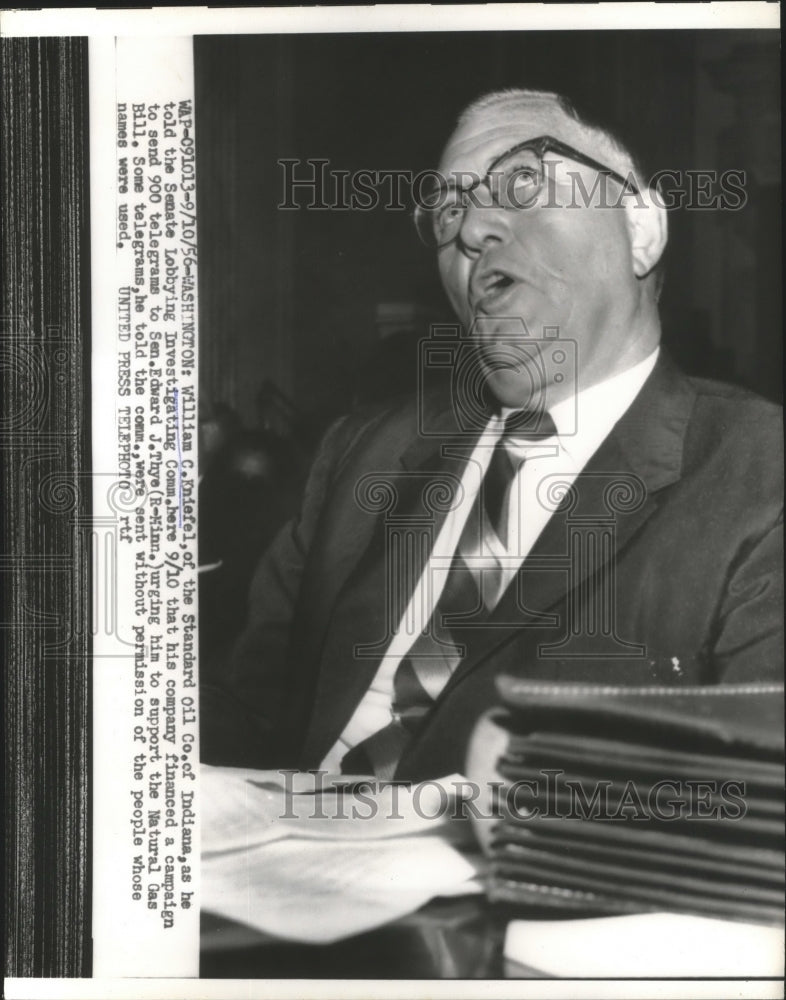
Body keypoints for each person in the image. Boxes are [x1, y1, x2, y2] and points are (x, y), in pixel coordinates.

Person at [201, 89, 783, 782]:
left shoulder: (758, 475)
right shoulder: (365, 450)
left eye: (524, 182)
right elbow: (240, 711)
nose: (473, 228)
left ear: (643, 230)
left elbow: (754, 801)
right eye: (449, 211)